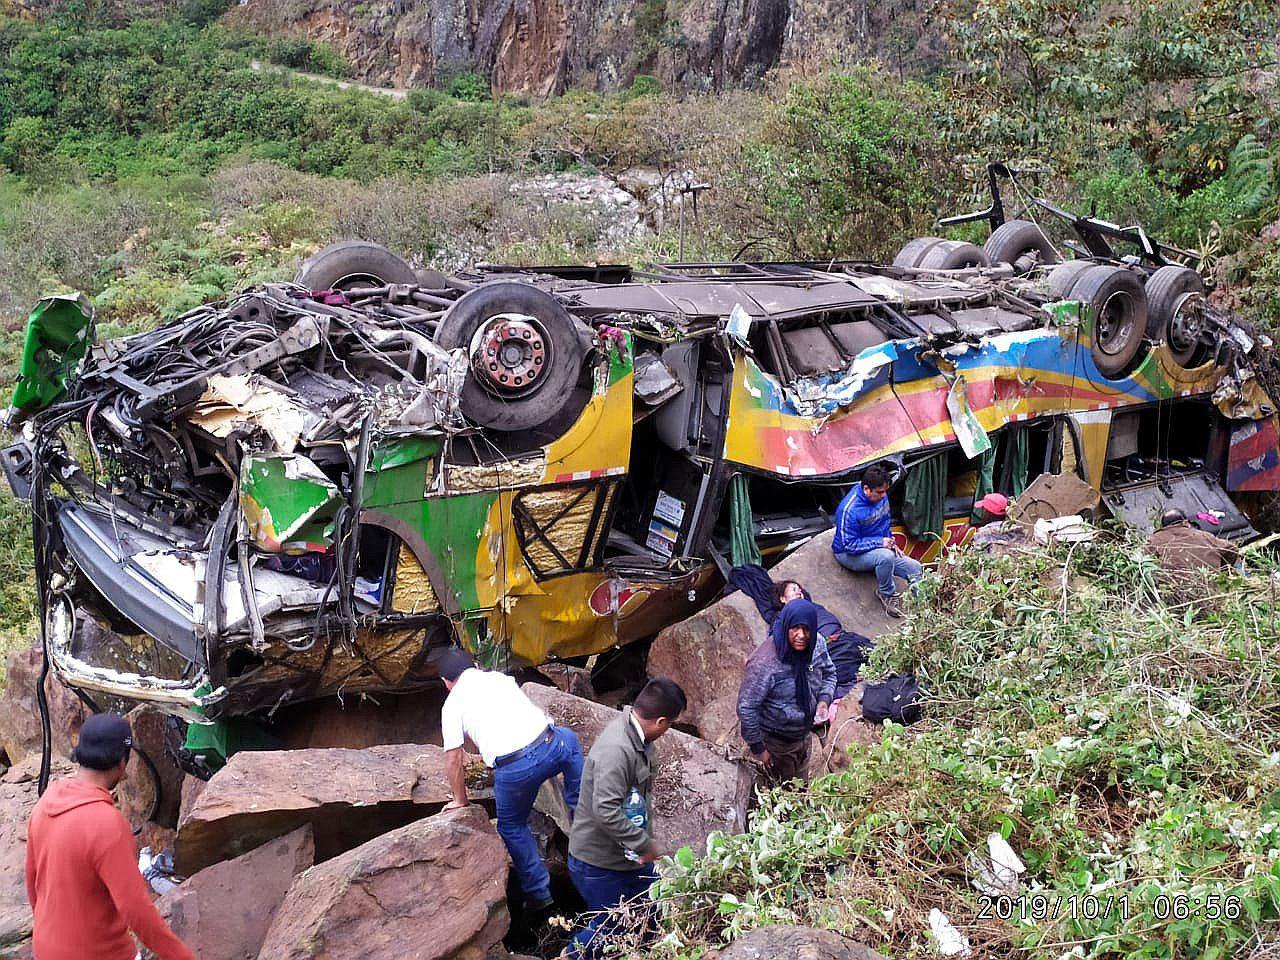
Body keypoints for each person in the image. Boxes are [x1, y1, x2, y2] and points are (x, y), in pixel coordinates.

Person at [25, 713, 194, 960]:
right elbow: (136, 911)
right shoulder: (107, 824)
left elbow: (33, 884)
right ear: (122, 763)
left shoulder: (45, 804)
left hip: (45, 949)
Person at [437, 646, 583, 917]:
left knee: (512, 826)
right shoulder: (500, 679)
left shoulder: (452, 704)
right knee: (570, 740)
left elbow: (453, 759)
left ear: (446, 682)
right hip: (553, 744)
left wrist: (460, 800)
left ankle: (541, 896)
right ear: (476, 666)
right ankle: (585, 820)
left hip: (516, 770)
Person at [566, 677, 687, 959]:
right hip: (598, 863)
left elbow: (635, 801)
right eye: (669, 724)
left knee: (652, 910)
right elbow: (606, 811)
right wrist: (644, 844)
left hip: (628, 856)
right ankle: (568, 955)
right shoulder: (617, 750)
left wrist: (642, 845)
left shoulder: (639, 740)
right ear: (660, 721)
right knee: (612, 929)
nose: (667, 730)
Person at [736, 598, 837, 782]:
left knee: (800, 785)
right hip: (776, 742)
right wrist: (759, 749)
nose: (801, 635)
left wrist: (823, 701)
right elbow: (746, 707)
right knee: (780, 790)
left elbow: (830, 674)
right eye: (795, 628)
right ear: (785, 626)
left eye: (806, 629)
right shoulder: (765, 663)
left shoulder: (817, 645)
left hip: (804, 734)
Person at [832, 463, 923, 617]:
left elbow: (884, 521)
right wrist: (880, 543)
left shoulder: (881, 497)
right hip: (848, 555)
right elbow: (848, 545)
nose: (883, 496)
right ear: (866, 489)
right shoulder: (849, 510)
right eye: (880, 492)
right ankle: (886, 594)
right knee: (885, 557)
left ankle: (922, 605)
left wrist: (891, 541)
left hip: (876, 548)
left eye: (885, 491)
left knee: (915, 567)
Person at [775, 580, 873, 719]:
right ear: (783, 599)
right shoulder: (783, 619)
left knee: (876, 654)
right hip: (831, 648)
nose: (799, 592)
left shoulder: (814, 607)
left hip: (845, 638)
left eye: (800, 589)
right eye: (793, 589)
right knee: (842, 671)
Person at [1147, 508, 1239, 576]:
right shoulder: (1203, 535)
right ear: (1186, 522)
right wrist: (1223, 571)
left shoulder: (1154, 540)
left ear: (1163, 526)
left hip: (1176, 593)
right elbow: (1232, 549)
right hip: (1211, 588)